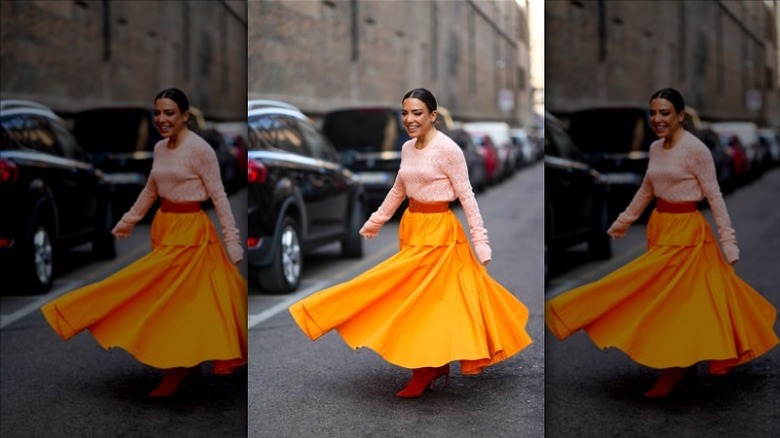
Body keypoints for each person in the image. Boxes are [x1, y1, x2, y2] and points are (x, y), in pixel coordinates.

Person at [288, 88, 532, 398]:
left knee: (416, 301)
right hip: (413, 228)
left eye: (417, 113)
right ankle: (433, 364)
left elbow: (467, 196)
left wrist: (480, 241)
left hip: (439, 235)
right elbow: (398, 189)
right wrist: (376, 220)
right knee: (417, 300)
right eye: (405, 113)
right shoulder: (406, 148)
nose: (409, 119)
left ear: (433, 116)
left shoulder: (449, 150)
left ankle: (424, 369)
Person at [545, 88, 779, 398]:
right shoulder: (655, 149)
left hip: (688, 234)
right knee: (676, 300)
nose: (657, 119)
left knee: (671, 299)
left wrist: (729, 241)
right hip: (661, 227)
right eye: (654, 112)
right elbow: (647, 189)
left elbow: (715, 196)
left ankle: (672, 370)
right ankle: (685, 363)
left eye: (665, 113)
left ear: (681, 116)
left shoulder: (696, 150)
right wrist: (625, 220)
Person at [41, 88, 248, 397]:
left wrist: (232, 239)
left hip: (191, 234)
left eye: (169, 113)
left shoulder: (200, 150)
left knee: (166, 298)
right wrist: (129, 220)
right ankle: (185, 361)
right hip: (165, 228)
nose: (161, 119)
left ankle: (175, 370)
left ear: (185, 116)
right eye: (158, 113)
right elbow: (152, 188)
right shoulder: (160, 148)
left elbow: (219, 194)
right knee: (171, 298)